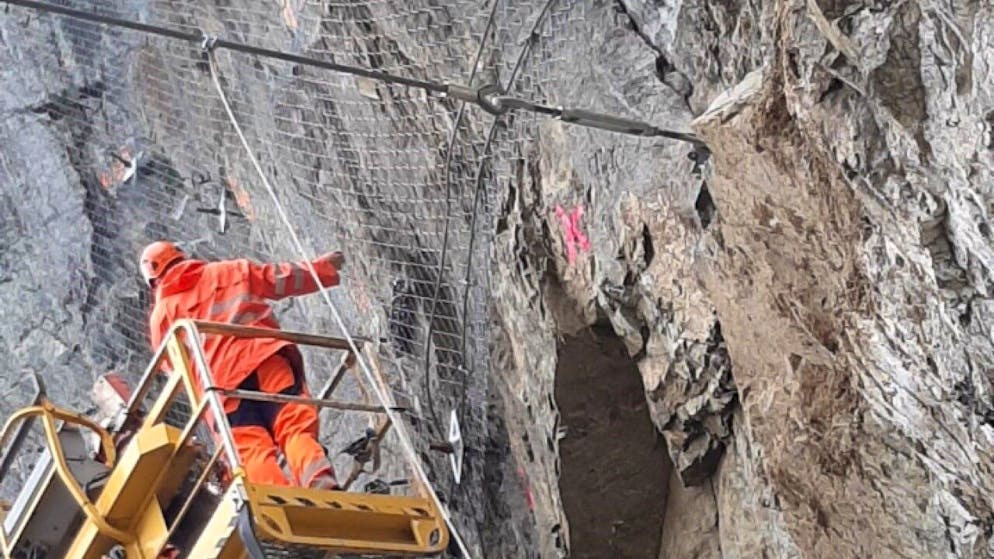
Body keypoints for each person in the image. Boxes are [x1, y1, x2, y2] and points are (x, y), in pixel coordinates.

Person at [140, 240, 343, 489]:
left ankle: (278, 502)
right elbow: (279, 278)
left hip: (220, 387)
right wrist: (323, 268)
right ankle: (319, 478)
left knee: (250, 449)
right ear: (181, 256)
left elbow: (177, 372)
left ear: (153, 280)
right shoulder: (227, 270)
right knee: (293, 425)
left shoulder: (161, 317)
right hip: (265, 359)